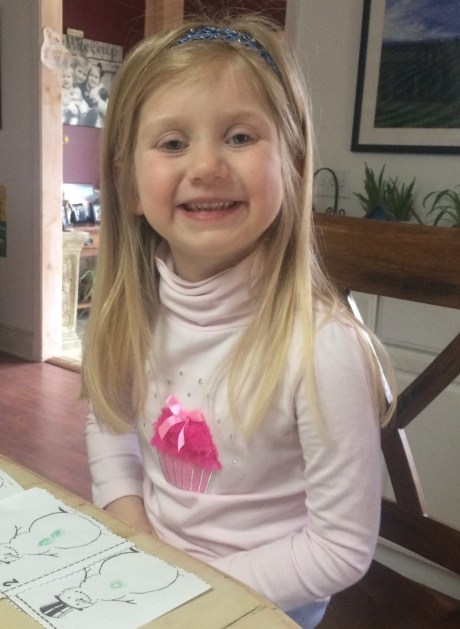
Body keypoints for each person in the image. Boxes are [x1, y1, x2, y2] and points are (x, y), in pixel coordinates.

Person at [82, 15, 396, 629]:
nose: (206, 165)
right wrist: (136, 533)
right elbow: (109, 427)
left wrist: (192, 591)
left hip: (264, 605)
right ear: (128, 186)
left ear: (294, 165)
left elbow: (339, 548)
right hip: (159, 581)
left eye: (240, 136)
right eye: (173, 143)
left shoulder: (323, 348)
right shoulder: (126, 314)